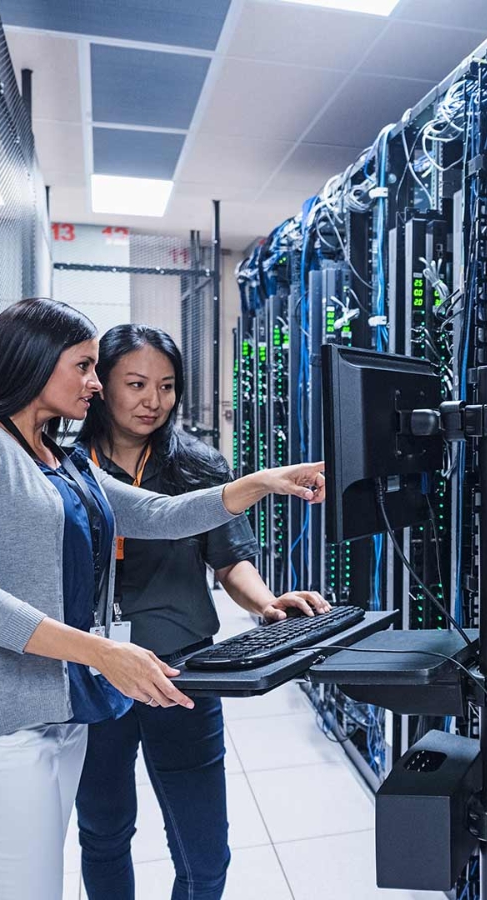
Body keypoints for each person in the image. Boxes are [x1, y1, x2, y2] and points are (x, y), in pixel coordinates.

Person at [0, 298, 325, 900]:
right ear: (33, 361)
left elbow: (159, 512)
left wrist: (259, 483)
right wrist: (102, 653)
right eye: (84, 366)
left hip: (65, 712)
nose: (94, 383)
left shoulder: (60, 460)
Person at [72, 324, 330, 900]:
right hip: (96, 673)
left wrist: (266, 602)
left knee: (205, 852)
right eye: (135, 384)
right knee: (104, 834)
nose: (153, 401)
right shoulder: (67, 468)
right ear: (101, 384)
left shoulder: (198, 465)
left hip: (185, 673)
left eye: (166, 386)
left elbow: (228, 559)